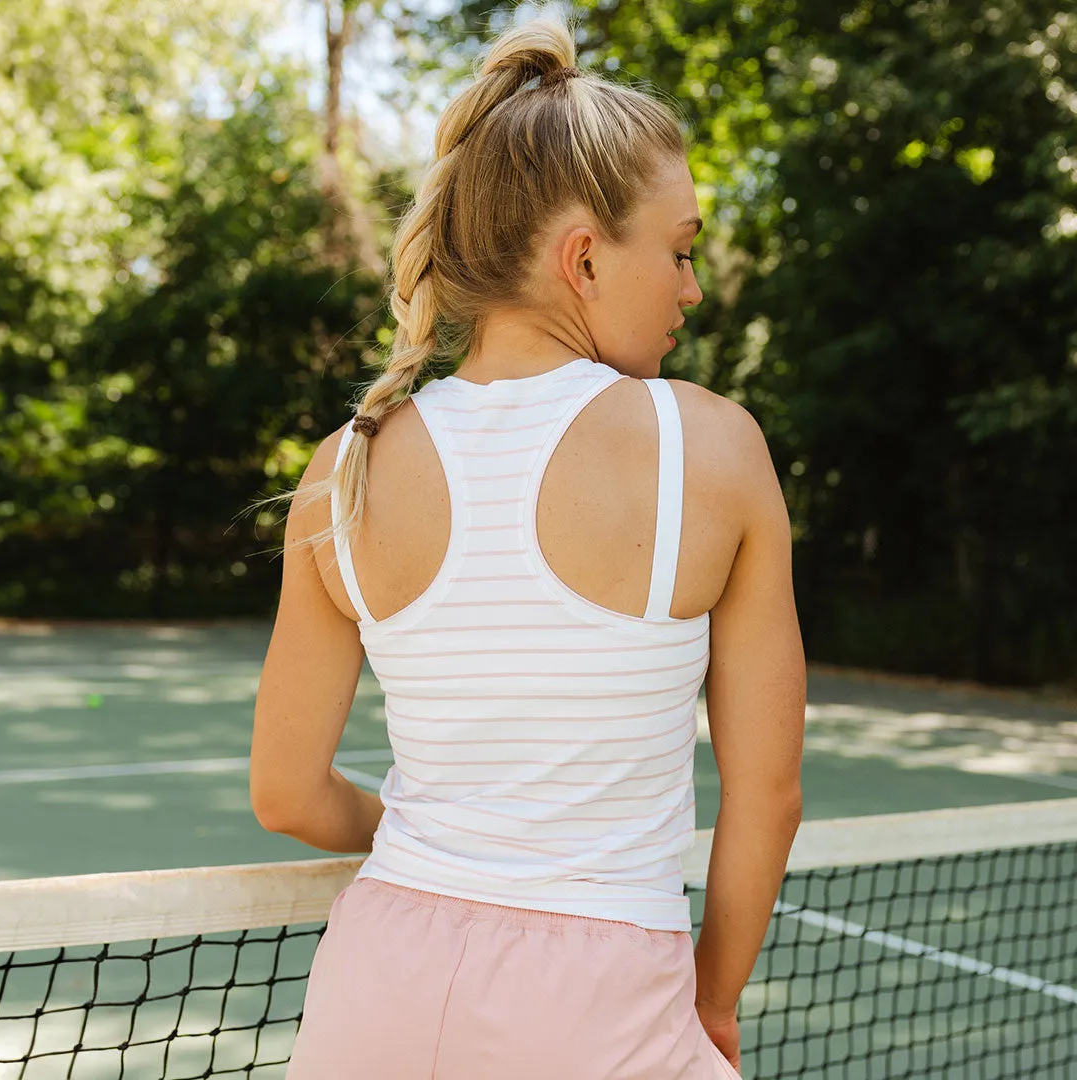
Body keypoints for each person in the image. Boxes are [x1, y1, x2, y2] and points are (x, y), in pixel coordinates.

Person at [249, 9, 805, 1079]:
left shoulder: (345, 468)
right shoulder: (716, 450)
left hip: (375, 986)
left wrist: (436, 846)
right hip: (600, 1009)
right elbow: (767, 792)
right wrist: (718, 1004)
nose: (693, 289)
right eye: (681, 252)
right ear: (584, 259)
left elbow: (287, 794)